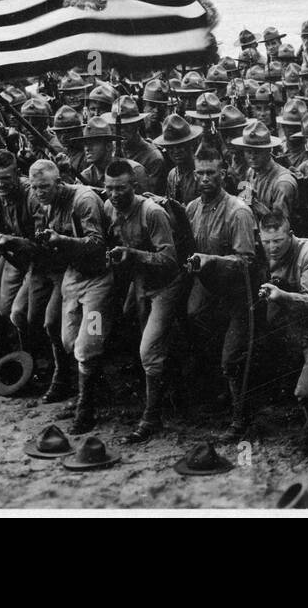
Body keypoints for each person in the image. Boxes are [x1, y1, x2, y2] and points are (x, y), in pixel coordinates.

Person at [29, 158, 111, 433]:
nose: (40, 193)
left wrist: (61, 241)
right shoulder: (48, 203)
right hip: (74, 277)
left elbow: (98, 243)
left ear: (59, 182)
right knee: (67, 340)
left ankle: (86, 408)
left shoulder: (83, 200)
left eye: (45, 187)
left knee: (88, 344)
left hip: (99, 280)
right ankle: (94, 388)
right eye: (35, 188)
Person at [103, 159, 181, 443]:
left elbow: (170, 259)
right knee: (130, 334)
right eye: (109, 188)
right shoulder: (108, 208)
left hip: (165, 287)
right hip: (139, 284)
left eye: (121, 188)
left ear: (134, 187)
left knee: (149, 351)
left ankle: (152, 417)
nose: (114, 194)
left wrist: (133, 255)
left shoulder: (152, 213)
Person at [184, 142, 259, 439]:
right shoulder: (192, 209)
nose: (205, 179)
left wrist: (211, 261)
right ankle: (224, 398)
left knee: (232, 359)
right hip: (209, 295)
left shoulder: (237, 212)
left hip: (240, 296)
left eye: (211, 173)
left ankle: (242, 419)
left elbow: (247, 262)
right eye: (200, 173)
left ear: (223, 173)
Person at [257, 210, 308, 454]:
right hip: (297, 327)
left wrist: (281, 295)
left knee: (304, 392)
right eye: (266, 242)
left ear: (290, 235)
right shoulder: (270, 252)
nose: (272, 248)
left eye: (277, 241)